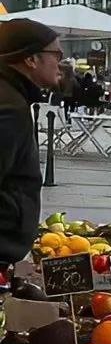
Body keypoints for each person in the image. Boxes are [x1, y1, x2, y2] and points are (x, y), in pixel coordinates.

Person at [0, 19, 62, 266]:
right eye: (56, 54)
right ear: (31, 59)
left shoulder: (12, 95)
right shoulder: (9, 106)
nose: (62, 62)